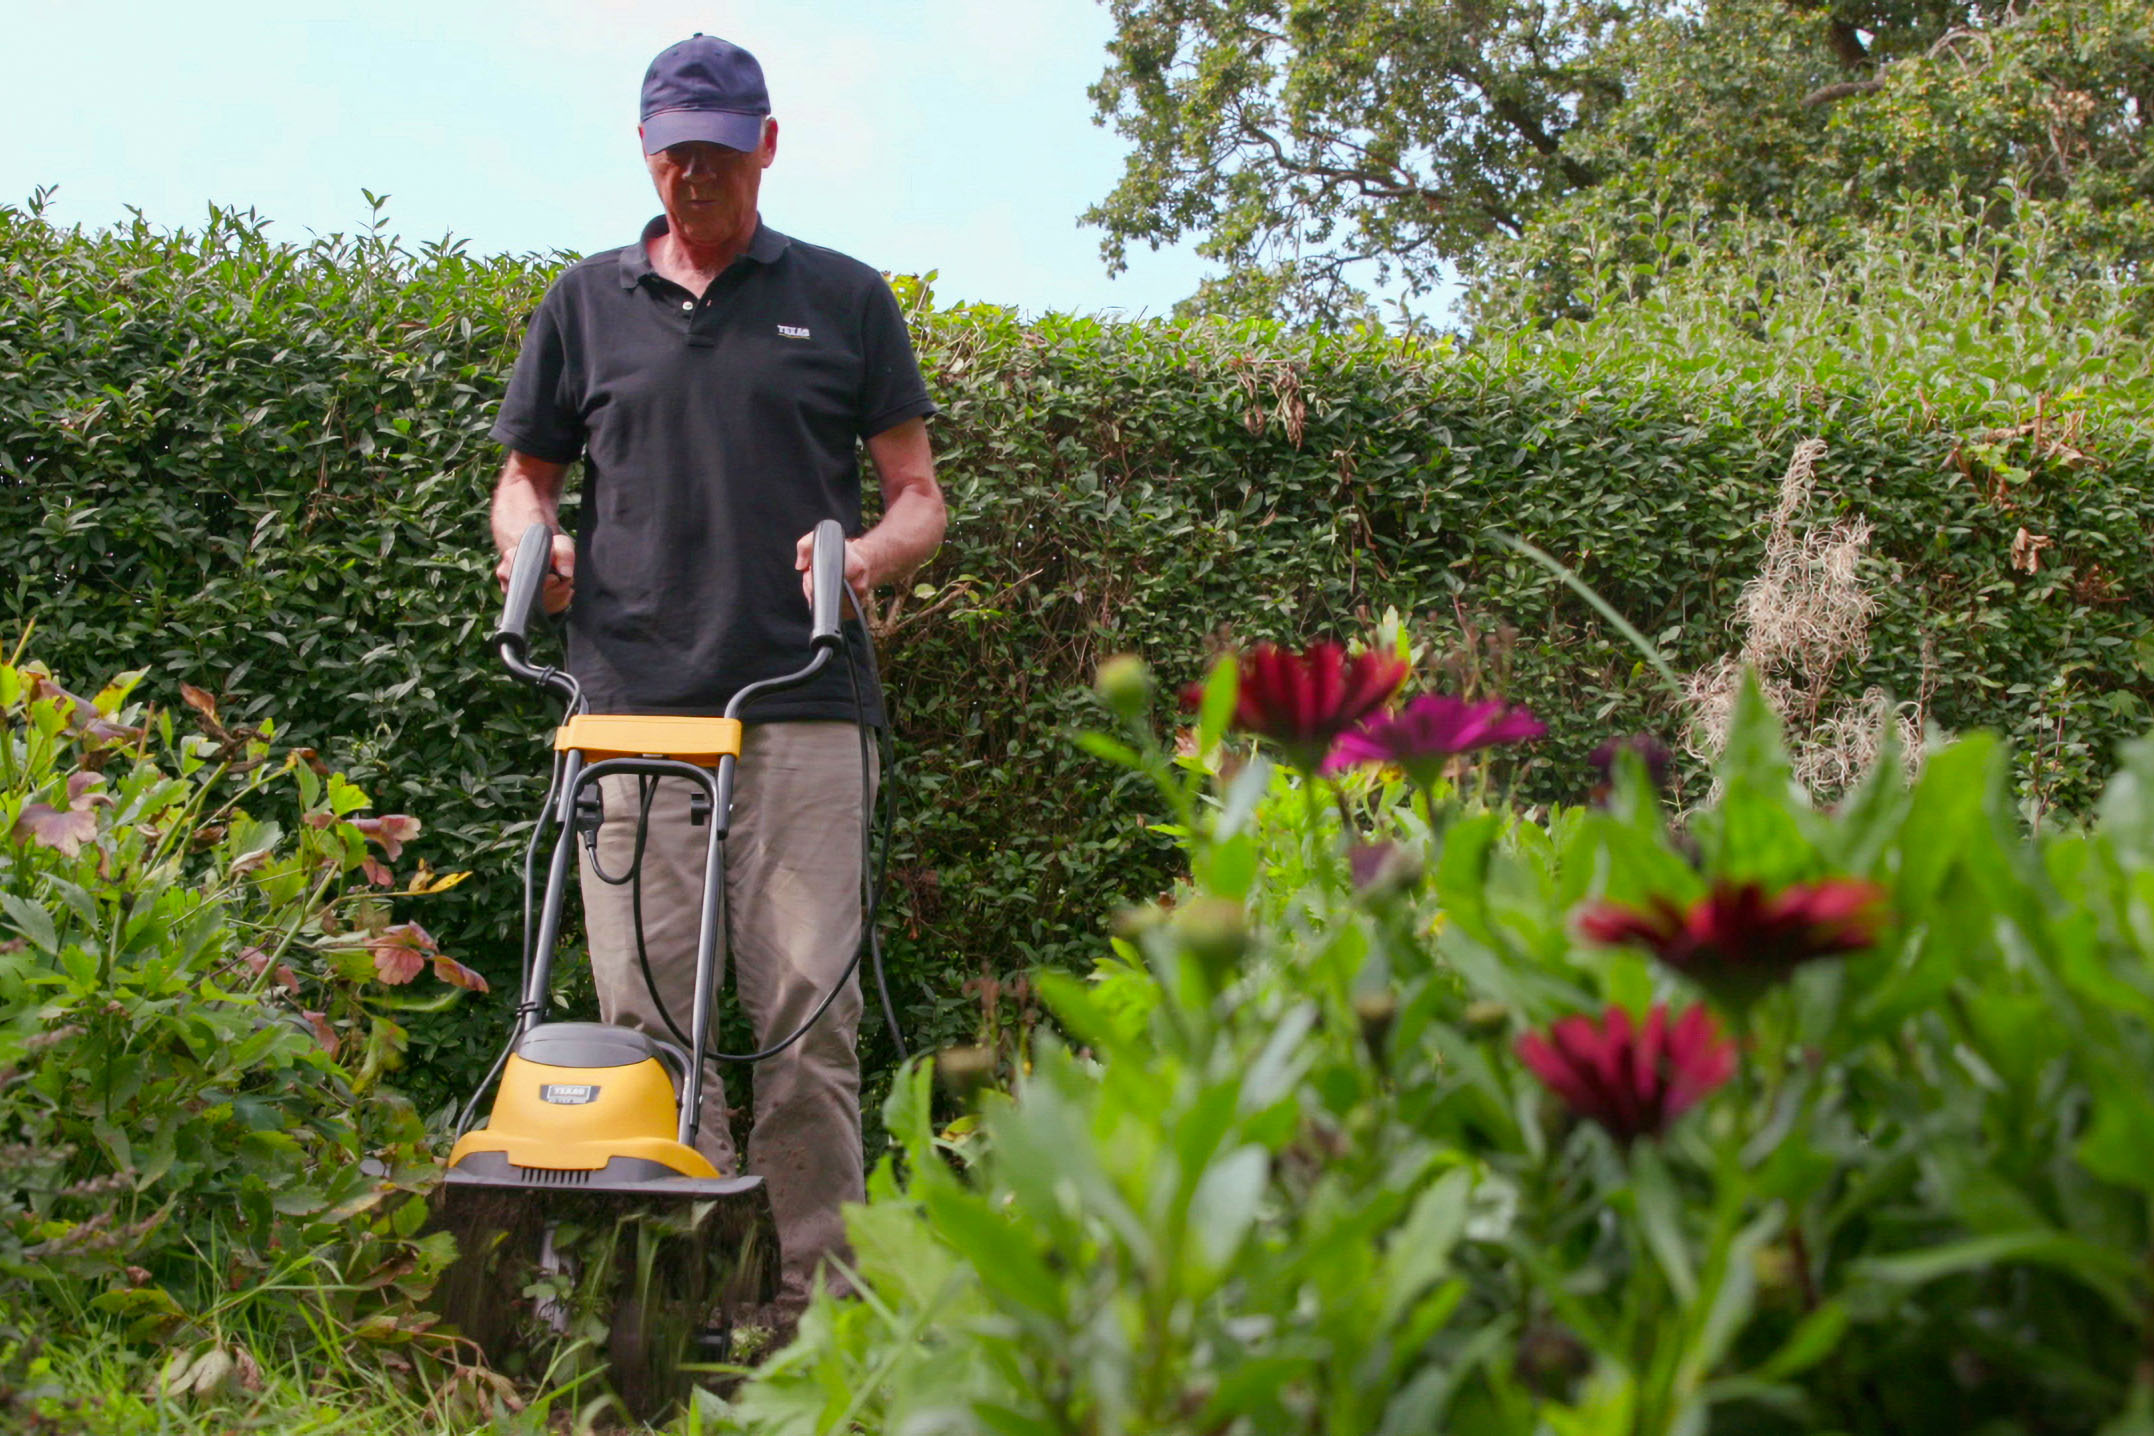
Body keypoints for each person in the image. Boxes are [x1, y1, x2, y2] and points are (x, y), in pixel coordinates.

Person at [485, 32, 945, 1323]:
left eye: (719, 154)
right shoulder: (583, 305)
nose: (696, 177)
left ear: (767, 148)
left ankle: (810, 1320)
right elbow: (523, 481)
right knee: (644, 1034)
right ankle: (685, 1305)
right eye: (675, 154)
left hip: (798, 706)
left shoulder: (845, 299)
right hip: (626, 712)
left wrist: (861, 555)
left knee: (805, 1023)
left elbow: (917, 499)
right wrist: (536, 550)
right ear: (645, 152)